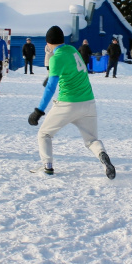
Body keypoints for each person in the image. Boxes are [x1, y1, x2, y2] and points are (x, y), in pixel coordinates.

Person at [27, 25, 115, 179]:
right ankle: (102, 155)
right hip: (88, 103)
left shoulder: (56, 58)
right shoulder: (73, 50)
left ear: (48, 43)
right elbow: (72, 69)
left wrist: (39, 111)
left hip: (68, 104)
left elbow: (50, 89)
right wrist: (52, 76)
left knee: (44, 134)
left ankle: (47, 166)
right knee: (91, 140)